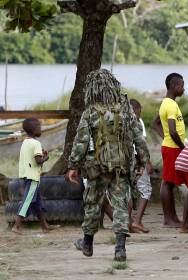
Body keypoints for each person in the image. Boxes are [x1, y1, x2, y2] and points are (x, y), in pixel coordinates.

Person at [67, 69, 149, 262]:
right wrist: (143, 161)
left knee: (92, 204)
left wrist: (73, 166)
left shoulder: (91, 112)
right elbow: (139, 139)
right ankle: (120, 249)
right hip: (121, 167)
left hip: (97, 168)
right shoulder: (126, 110)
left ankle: (87, 243)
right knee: (121, 205)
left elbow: (81, 142)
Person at [12, 118, 54, 234]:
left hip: (27, 175)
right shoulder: (36, 143)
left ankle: (45, 227)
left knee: (37, 203)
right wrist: (46, 157)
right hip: (32, 177)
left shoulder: (25, 142)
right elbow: (38, 161)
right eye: (39, 127)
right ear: (34, 129)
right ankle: (17, 225)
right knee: (27, 200)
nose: (41, 129)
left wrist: (41, 154)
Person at [154, 73, 186, 228]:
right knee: (167, 183)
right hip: (173, 148)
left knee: (170, 183)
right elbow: (173, 131)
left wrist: (165, 137)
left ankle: (173, 217)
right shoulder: (170, 105)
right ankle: (168, 219)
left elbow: (156, 124)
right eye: (182, 85)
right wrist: (183, 148)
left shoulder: (168, 103)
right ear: (174, 86)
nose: (183, 88)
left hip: (170, 146)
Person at [129, 99, 154, 233]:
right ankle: (137, 221)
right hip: (137, 159)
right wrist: (148, 162)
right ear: (137, 109)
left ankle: (128, 223)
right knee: (146, 189)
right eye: (139, 110)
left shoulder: (120, 120)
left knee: (128, 190)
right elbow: (141, 144)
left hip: (124, 160)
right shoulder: (137, 122)